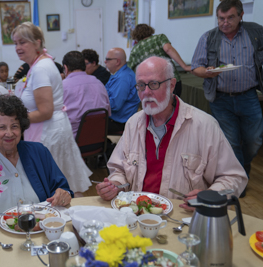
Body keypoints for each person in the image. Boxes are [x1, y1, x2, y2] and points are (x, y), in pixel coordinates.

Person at [96, 56, 248, 209]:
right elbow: (119, 169)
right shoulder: (133, 123)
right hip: (137, 215)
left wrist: (210, 196)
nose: (146, 92)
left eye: (154, 84)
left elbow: (233, 177)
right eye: (141, 85)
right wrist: (115, 185)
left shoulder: (204, 125)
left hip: (184, 218)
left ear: (171, 85)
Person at [0, 95, 73, 230]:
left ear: (21, 128)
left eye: (14, 126)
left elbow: (62, 189)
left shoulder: (39, 152)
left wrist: (63, 194)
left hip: (40, 230)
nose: (9, 133)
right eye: (1, 127)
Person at [191, 0, 263, 197]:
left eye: (230, 17)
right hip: (221, 98)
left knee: (254, 139)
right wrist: (206, 73)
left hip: (248, 95)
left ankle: (242, 166)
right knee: (231, 143)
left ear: (240, 16)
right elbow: (195, 67)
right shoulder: (208, 38)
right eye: (221, 18)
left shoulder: (255, 33)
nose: (225, 22)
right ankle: (238, 182)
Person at [12, 22, 92, 196]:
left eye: (22, 42)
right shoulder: (41, 64)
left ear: (37, 43)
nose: (18, 47)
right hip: (53, 128)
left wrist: (16, 119)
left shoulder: (40, 69)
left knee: (55, 185)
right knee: (62, 182)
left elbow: (45, 111)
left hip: (48, 132)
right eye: (15, 43)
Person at [127, 24, 192, 97]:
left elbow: (129, 70)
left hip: (152, 85)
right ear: (149, 30)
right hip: (171, 79)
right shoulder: (159, 38)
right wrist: (185, 66)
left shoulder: (135, 50)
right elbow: (168, 49)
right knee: (174, 103)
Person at [62, 51, 111, 138]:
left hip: (74, 142)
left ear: (66, 68)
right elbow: (108, 112)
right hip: (98, 140)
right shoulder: (98, 83)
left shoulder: (63, 86)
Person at [104, 48, 139, 134]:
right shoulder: (119, 74)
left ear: (117, 62)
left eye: (108, 59)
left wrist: (97, 102)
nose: (105, 62)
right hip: (115, 118)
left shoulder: (123, 78)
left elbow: (115, 105)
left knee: (85, 126)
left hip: (119, 122)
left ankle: (106, 147)